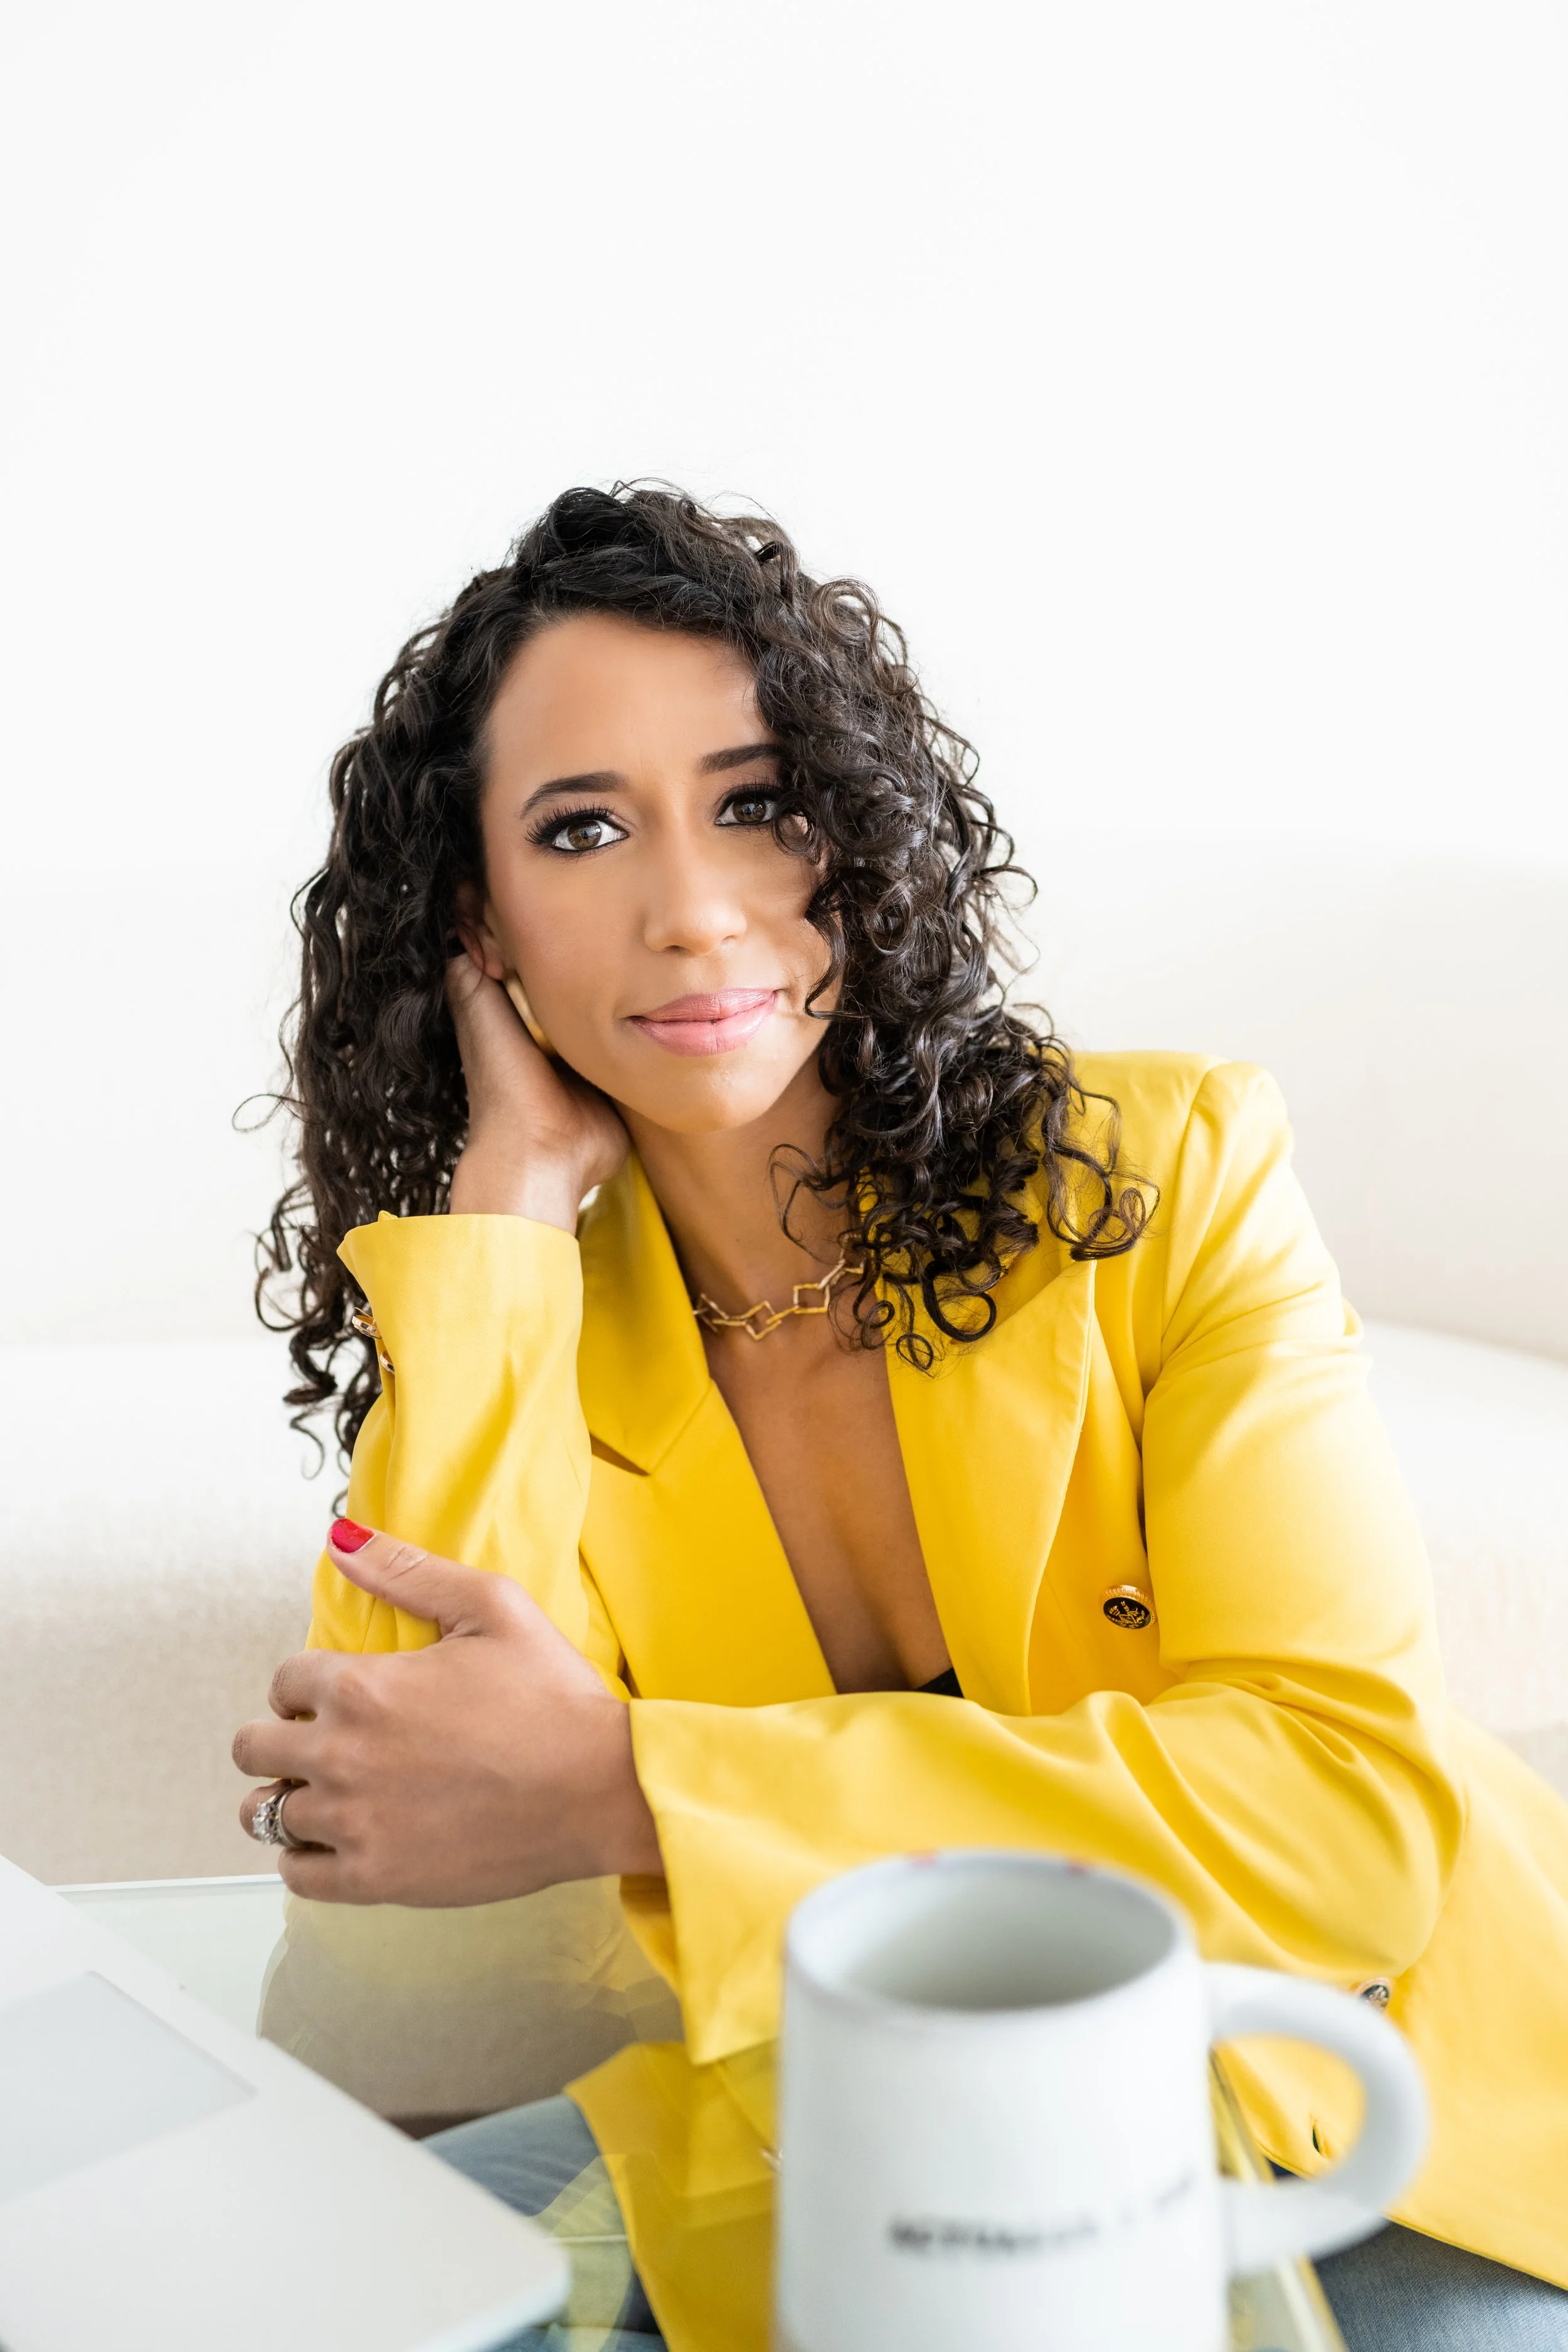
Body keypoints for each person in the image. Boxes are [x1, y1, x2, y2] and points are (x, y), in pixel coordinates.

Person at [235, 485, 1568, 2352]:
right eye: (583, 828)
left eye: (758, 800)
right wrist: (512, 1203)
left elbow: (1343, 1820)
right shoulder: (539, 1310)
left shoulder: (1161, 1172)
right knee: (315, 2300)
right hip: (850, 2145)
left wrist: (627, 1778)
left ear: (856, 831)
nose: (692, 912)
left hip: (1364, 2093)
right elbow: (386, 1821)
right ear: (483, 923)